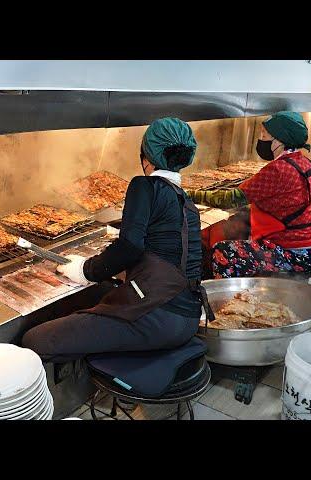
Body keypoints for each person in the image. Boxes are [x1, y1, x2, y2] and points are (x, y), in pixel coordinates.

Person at [22, 117, 209, 363]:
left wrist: (85, 270)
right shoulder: (185, 201)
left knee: (34, 341)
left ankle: (102, 370)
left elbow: (130, 246)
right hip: (187, 319)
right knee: (104, 303)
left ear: (146, 156)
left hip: (158, 318)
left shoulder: (145, 185)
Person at [187, 111, 311, 279]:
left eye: (264, 135)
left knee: (223, 251)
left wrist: (190, 194)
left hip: (295, 252)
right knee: (236, 228)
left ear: (279, 140)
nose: (261, 139)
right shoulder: (303, 162)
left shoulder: (279, 169)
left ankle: (227, 297)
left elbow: (230, 199)